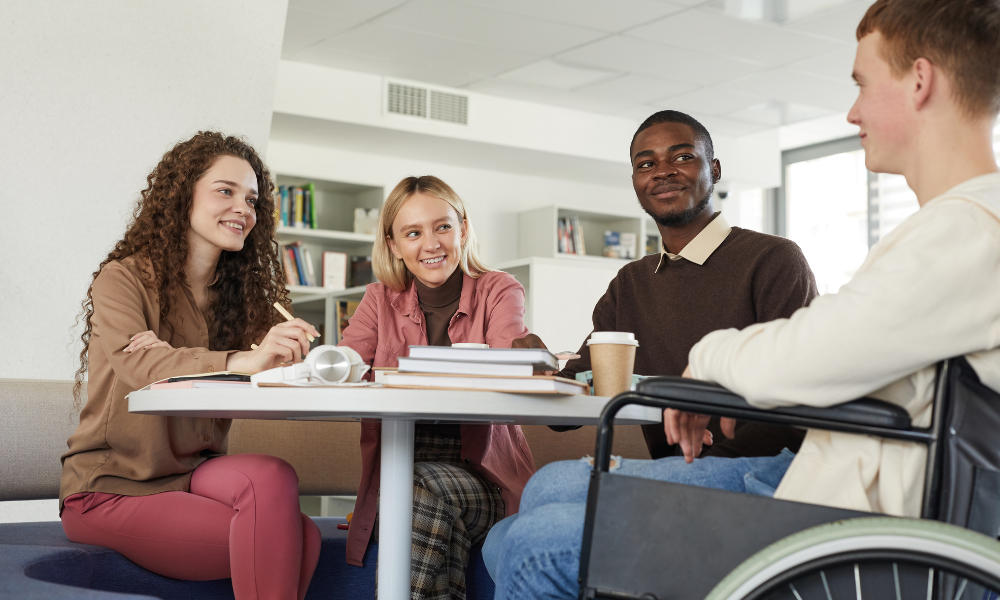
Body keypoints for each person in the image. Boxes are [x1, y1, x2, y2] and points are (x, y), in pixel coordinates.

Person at [492, 0, 1000, 597]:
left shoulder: (969, 233)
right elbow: (838, 341)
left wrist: (707, 363)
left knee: (531, 544)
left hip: (855, 524)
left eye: (863, 83)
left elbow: (814, 352)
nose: (852, 109)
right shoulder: (950, 228)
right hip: (835, 483)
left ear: (919, 81)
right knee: (535, 506)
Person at [483, 110, 818, 577]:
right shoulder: (632, 282)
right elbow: (583, 381)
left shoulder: (772, 259)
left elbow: (795, 395)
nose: (662, 171)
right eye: (645, 163)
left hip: (760, 470)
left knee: (549, 487)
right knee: (501, 537)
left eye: (682, 157)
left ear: (714, 170)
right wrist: (538, 364)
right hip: (679, 474)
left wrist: (693, 469)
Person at [61, 132, 323, 600]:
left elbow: (274, 369)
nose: (243, 208)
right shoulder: (122, 279)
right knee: (291, 538)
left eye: (252, 199)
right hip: (113, 486)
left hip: (191, 475)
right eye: (225, 191)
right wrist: (243, 360)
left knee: (277, 481)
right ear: (183, 196)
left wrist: (292, 356)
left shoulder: (240, 301)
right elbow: (142, 366)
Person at [338, 175, 536, 600]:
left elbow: (509, 363)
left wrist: (524, 356)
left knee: (413, 493)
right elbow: (347, 364)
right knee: (419, 500)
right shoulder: (377, 300)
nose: (431, 244)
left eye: (442, 227)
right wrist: (323, 363)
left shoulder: (499, 290)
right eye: (413, 233)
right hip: (400, 480)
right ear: (394, 245)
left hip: (482, 482)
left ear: (462, 229)